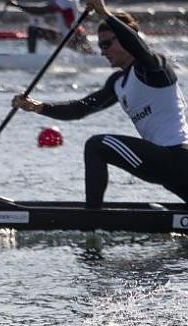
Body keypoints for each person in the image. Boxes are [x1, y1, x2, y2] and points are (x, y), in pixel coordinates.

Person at [12, 0, 188, 208]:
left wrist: (105, 13)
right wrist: (37, 106)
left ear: (124, 40)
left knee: (97, 146)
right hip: (163, 166)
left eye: (106, 44)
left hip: (176, 158)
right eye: (100, 45)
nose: (102, 52)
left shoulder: (154, 68)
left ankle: (92, 219)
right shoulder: (117, 83)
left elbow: (140, 49)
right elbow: (80, 109)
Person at [9, 0, 93, 54]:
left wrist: (17, 6)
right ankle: (32, 57)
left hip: (75, 38)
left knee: (33, 29)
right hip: (65, 37)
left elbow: (40, 11)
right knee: (33, 29)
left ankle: (32, 58)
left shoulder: (66, 1)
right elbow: (41, 6)